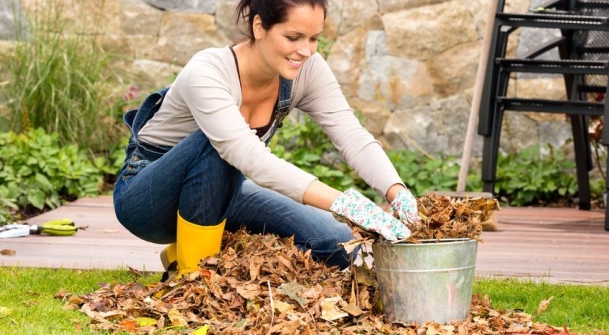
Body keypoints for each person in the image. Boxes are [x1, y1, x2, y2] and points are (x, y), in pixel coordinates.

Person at [113, 0, 420, 279]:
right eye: (293, 37)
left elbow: (349, 132)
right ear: (259, 26)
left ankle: (191, 251)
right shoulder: (207, 71)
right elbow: (249, 156)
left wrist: (396, 191)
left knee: (335, 243)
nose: (306, 51)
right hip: (148, 199)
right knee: (215, 145)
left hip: (225, 191)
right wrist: (343, 203)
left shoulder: (307, 70)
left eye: (314, 38)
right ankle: (193, 280)